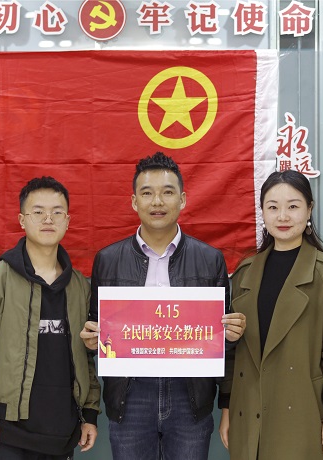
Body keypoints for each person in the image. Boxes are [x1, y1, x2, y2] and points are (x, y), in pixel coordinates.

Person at [79, 152, 246, 460]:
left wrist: (230, 339)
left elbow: (223, 345)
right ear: (134, 202)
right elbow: (96, 332)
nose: (157, 201)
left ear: (182, 199)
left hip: (190, 396)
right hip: (130, 395)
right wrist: (92, 339)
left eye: (167, 192)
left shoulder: (210, 260)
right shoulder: (108, 260)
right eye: (147, 193)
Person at [0, 176, 100, 460]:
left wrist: (89, 413)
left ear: (68, 221)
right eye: (38, 212)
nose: (48, 219)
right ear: (22, 220)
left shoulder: (80, 287)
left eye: (57, 212)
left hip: (62, 433)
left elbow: (86, 357)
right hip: (6, 432)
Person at [219, 170, 323, 459]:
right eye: (273, 207)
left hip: (303, 410)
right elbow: (233, 353)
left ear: (309, 210)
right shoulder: (244, 273)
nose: (282, 216)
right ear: (262, 212)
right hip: (247, 411)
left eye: (293, 206)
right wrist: (227, 408)